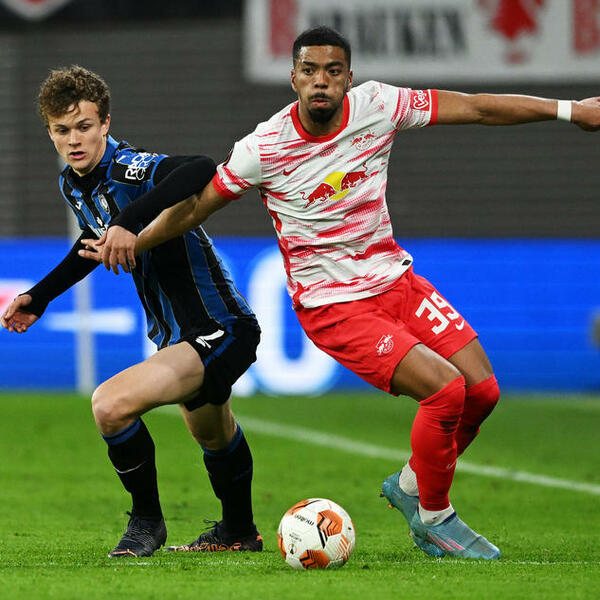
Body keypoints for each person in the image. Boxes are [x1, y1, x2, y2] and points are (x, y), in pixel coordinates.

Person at [80, 27, 600, 560]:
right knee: (445, 391)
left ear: (349, 78)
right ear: (294, 79)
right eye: (309, 71)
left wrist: (570, 110)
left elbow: (477, 108)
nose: (321, 82)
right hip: (334, 305)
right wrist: (135, 238)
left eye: (332, 71)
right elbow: (195, 208)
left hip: (396, 282)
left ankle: (412, 485)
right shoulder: (264, 147)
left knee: (482, 391)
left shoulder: (379, 105)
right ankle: (435, 519)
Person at [0, 66, 264, 558]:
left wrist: (128, 220)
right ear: (49, 132)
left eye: (84, 126)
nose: (74, 139)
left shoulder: (127, 167)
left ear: (105, 123)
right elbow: (94, 241)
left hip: (219, 326)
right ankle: (239, 532)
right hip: (179, 335)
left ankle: (146, 523)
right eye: (62, 129)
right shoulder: (72, 184)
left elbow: (200, 168)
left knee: (110, 405)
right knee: (213, 433)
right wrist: (41, 295)